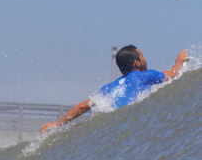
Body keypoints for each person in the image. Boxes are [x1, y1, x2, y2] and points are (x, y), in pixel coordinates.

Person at [41, 45, 190, 134]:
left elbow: (81, 107)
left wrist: (56, 124)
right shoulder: (143, 76)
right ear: (137, 62)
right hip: (129, 125)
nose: (146, 59)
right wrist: (179, 60)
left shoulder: (108, 87)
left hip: (110, 127)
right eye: (143, 56)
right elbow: (174, 73)